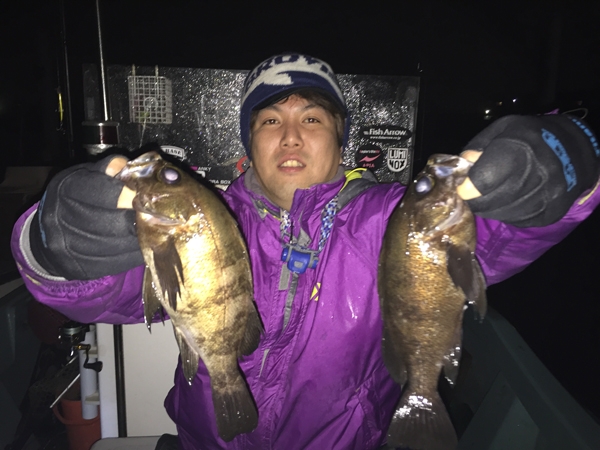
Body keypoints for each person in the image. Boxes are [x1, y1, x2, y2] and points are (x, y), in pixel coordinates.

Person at [11, 53, 600, 450]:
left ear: (340, 140)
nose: (291, 135)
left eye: (312, 117)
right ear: (250, 144)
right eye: (270, 119)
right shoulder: (204, 221)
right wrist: (56, 245)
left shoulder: (392, 220)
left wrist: (561, 159)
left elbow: (499, 237)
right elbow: (95, 294)